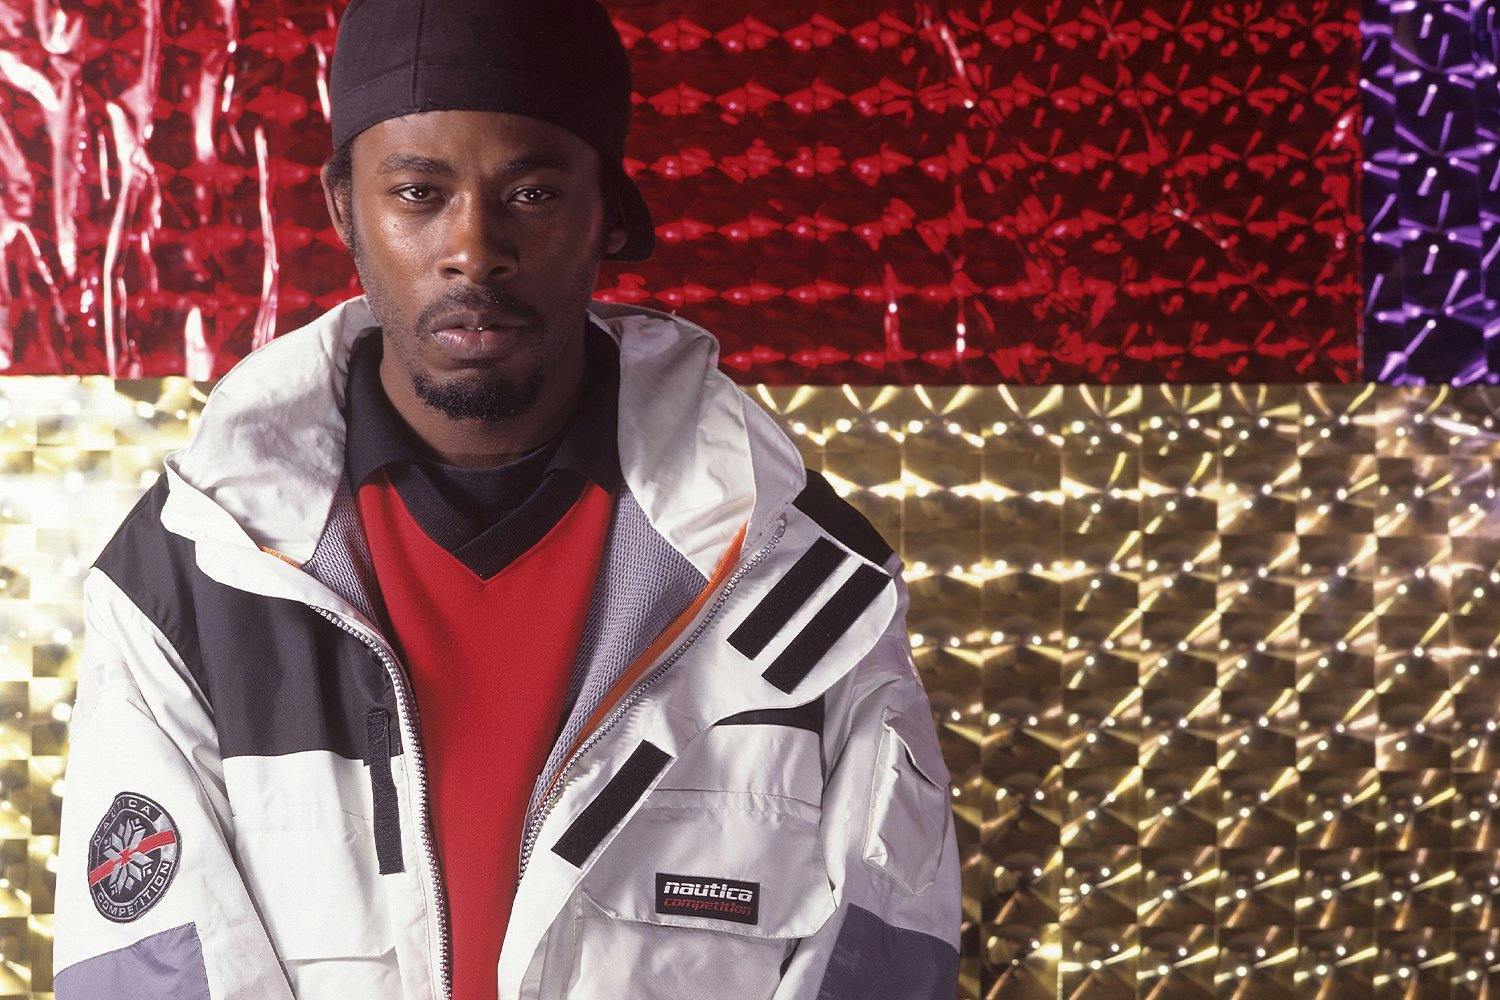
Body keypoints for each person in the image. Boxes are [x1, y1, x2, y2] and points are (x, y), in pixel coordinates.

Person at [51, 0, 961, 997]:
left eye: (530, 191)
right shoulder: (190, 570)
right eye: (418, 192)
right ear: (345, 208)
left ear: (608, 212)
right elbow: (146, 973)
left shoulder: (796, 574)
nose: (473, 248)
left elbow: (881, 958)